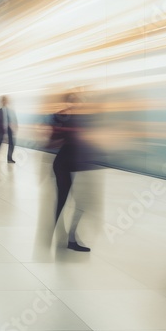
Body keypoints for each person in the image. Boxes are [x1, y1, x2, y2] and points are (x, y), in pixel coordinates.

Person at [48, 91, 98, 252]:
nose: (75, 105)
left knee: (78, 203)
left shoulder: (78, 119)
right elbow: (54, 140)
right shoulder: (63, 117)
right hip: (63, 165)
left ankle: (67, 238)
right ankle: (66, 239)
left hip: (73, 164)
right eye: (72, 102)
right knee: (64, 200)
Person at [0, 95, 17, 164]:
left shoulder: (10, 111)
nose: (6, 101)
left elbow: (13, 120)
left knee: (11, 144)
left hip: (9, 129)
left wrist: (14, 128)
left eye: (7, 100)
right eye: (5, 100)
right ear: (2, 101)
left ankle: (9, 158)